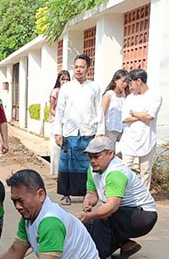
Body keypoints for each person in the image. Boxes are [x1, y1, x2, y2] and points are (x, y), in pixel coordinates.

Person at [78, 137, 158, 259]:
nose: (92, 161)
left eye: (96, 156)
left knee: (102, 217)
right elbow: (91, 193)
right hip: (125, 212)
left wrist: (91, 215)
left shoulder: (116, 173)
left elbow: (112, 206)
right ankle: (126, 245)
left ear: (110, 154)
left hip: (143, 215)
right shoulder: (93, 170)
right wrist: (88, 201)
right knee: (89, 225)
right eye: (90, 157)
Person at [53, 54, 105, 205]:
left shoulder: (94, 87)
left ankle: (87, 193)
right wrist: (58, 132)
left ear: (88, 68)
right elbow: (60, 111)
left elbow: (99, 110)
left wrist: (100, 131)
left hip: (88, 133)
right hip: (69, 133)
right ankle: (65, 194)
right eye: (76, 67)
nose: (78, 70)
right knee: (66, 165)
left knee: (87, 165)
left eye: (82, 67)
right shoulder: (66, 88)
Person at [120, 68, 163, 189]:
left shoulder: (155, 96)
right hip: (130, 138)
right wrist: (141, 115)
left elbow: (150, 116)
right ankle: (124, 194)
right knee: (125, 168)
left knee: (145, 170)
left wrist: (134, 113)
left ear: (139, 81)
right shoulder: (130, 98)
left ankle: (144, 196)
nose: (130, 86)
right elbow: (125, 118)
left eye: (131, 83)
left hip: (147, 138)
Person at [48, 70, 71, 178]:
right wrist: (60, 118)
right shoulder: (56, 91)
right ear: (59, 80)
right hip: (56, 122)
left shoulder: (71, 91)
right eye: (63, 79)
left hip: (68, 123)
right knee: (56, 148)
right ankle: (56, 172)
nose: (65, 81)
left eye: (67, 79)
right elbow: (51, 109)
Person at [101, 69, 128, 148]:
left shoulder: (124, 95)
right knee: (110, 153)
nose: (125, 84)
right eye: (123, 81)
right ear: (116, 80)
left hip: (122, 129)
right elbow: (102, 114)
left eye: (127, 82)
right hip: (110, 130)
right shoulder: (109, 95)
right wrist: (103, 130)